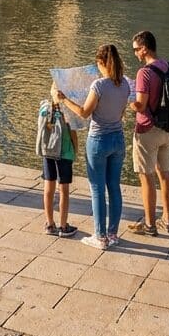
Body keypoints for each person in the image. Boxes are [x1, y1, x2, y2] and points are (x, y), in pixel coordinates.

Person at [57, 44, 130, 250]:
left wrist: (64, 99)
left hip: (98, 140)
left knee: (97, 188)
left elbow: (84, 112)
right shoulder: (125, 84)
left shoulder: (98, 85)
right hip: (118, 139)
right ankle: (113, 234)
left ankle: (100, 236)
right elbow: (121, 114)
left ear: (101, 63)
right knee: (114, 186)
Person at [128, 30, 169, 237]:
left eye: (136, 49)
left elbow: (141, 105)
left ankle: (149, 224)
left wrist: (128, 101)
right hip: (168, 129)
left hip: (148, 130)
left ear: (145, 48)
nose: (135, 53)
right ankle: (168, 219)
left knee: (146, 177)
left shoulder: (144, 73)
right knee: (165, 174)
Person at [36, 94, 78, 238]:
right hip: (64, 153)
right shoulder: (67, 110)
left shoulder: (44, 108)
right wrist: (76, 150)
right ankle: (64, 226)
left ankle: (49, 223)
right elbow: (73, 133)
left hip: (48, 151)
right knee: (63, 190)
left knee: (48, 187)